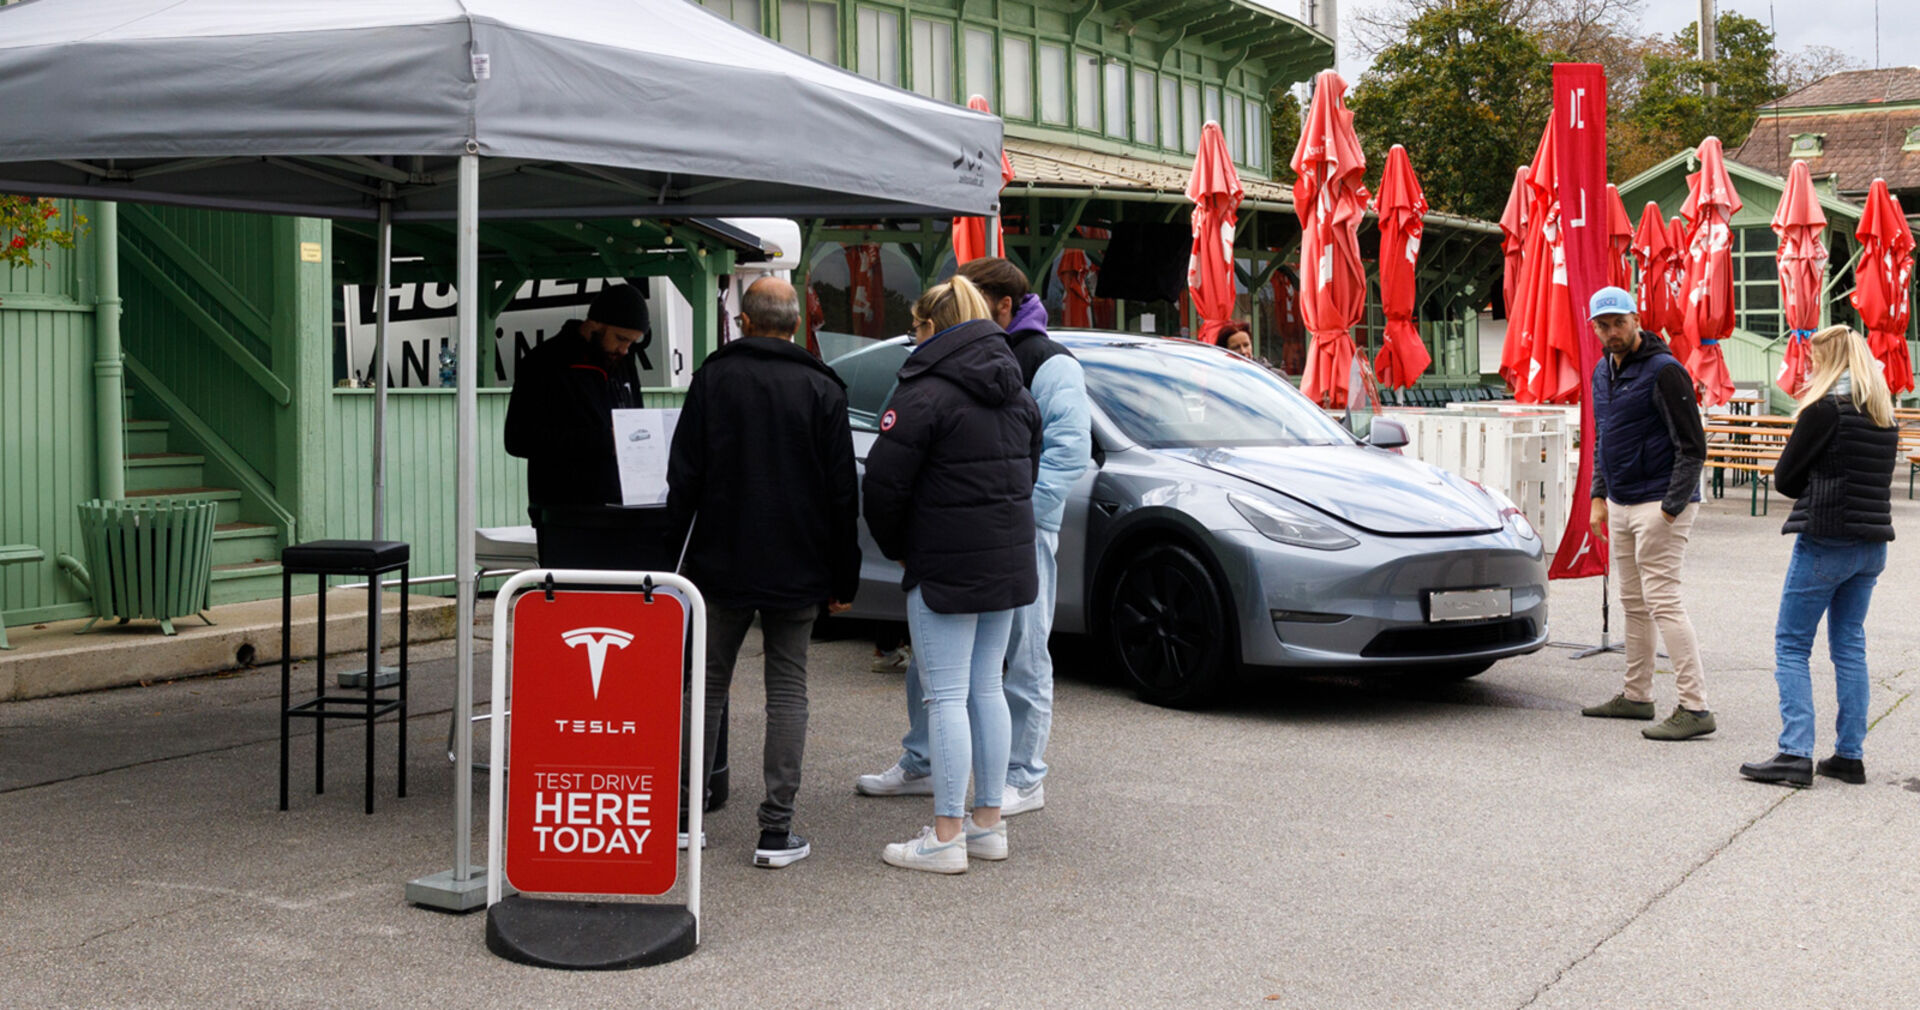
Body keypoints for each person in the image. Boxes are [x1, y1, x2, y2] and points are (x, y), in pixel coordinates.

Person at [856, 257, 1092, 818]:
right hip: (993, 530)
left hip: (1014, 530)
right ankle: (932, 766)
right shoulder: (985, 367)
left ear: (999, 307)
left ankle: (1022, 776)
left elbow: (1066, 452)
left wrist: (1015, 516)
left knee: (1023, 657)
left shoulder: (1046, 363)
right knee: (948, 669)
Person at [666, 277, 861, 868]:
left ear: (744, 323)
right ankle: (775, 832)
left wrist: (669, 564)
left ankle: (683, 820)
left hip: (720, 561)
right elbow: (840, 494)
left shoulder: (713, 379)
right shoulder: (822, 388)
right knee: (787, 692)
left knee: (705, 685)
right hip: (799, 564)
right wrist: (843, 579)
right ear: (797, 326)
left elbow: (683, 479)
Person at [862, 275, 1042, 874]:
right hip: (1008, 556)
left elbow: (883, 486)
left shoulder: (922, 391)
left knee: (945, 699)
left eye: (916, 327)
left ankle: (944, 835)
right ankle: (986, 825)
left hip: (943, 560)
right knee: (987, 689)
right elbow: (1029, 470)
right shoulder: (1018, 390)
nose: (912, 338)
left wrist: (899, 549)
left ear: (932, 327)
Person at [1739, 325, 1897, 788]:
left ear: (1830, 361)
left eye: (1813, 359)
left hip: (1826, 538)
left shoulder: (1824, 409)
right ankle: (1849, 756)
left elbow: (1786, 478)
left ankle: (1794, 753)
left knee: (1791, 645)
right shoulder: (1883, 414)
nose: (1807, 366)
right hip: (1871, 546)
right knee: (1849, 646)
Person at [1579, 285, 1715, 741]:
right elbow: (1604, 440)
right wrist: (1599, 496)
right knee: (1633, 605)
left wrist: (1671, 510)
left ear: (1636, 319)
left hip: (1659, 503)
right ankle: (1636, 696)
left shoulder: (1665, 371)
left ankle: (1695, 707)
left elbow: (1693, 447)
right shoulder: (1603, 371)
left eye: (1619, 322)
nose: (1612, 331)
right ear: (1594, 327)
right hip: (1620, 502)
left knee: (1664, 603)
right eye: (1603, 325)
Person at [503, 283, 648, 508]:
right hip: (565, 511)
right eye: (620, 338)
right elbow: (518, 439)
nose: (625, 349)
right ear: (596, 323)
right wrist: (603, 440)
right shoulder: (544, 362)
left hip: (623, 507)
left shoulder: (624, 363)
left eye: (631, 342)